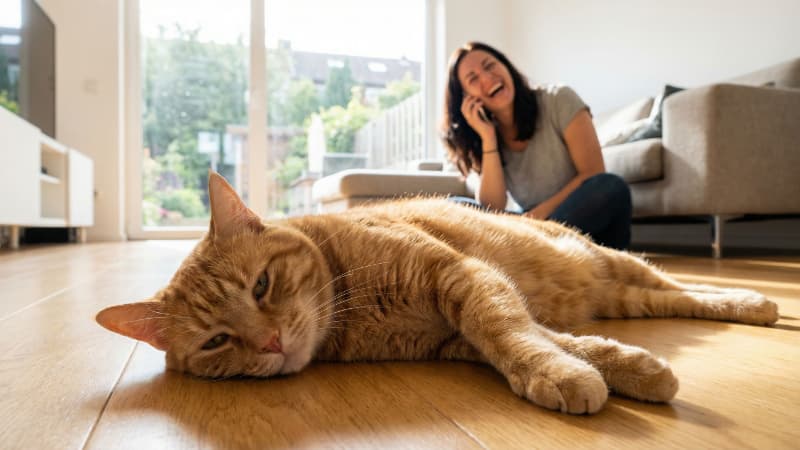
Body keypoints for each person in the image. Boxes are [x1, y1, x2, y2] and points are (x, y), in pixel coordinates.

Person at [441, 41, 632, 250]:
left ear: (505, 66)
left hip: (580, 224)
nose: (487, 78)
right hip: (533, 229)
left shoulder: (559, 99)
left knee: (610, 187)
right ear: (467, 99)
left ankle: (527, 252)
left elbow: (592, 173)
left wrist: (534, 221)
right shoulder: (485, 135)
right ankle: (532, 253)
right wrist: (488, 138)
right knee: (452, 207)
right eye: (473, 79)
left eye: (489, 65)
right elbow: (493, 207)